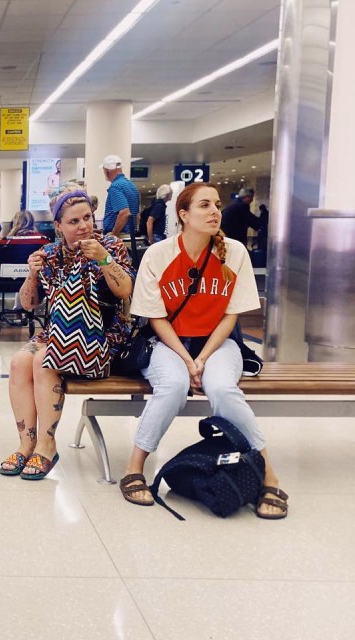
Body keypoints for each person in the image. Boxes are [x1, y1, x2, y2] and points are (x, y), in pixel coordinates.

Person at [119, 182, 287, 519]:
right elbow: (155, 319)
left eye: (217, 205)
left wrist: (203, 359)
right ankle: (134, 468)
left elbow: (231, 316)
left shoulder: (234, 252)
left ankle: (269, 474)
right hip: (169, 342)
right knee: (174, 386)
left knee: (223, 388)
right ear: (183, 214)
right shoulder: (158, 254)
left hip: (217, 341)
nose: (214, 212)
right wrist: (187, 360)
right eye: (204, 205)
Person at [0, 188, 134, 480]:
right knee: (19, 362)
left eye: (87, 217)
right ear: (59, 226)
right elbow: (28, 304)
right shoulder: (49, 254)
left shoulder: (110, 245)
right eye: (74, 221)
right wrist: (32, 275)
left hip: (104, 334)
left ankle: (47, 446)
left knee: (43, 360)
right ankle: (27, 444)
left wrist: (104, 259)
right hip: (59, 331)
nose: (84, 225)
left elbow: (124, 290)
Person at [100, 154, 140, 238]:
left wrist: (113, 235)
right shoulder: (131, 185)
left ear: (107, 170)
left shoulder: (115, 186)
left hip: (120, 236)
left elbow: (124, 213)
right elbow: (137, 215)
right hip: (130, 235)